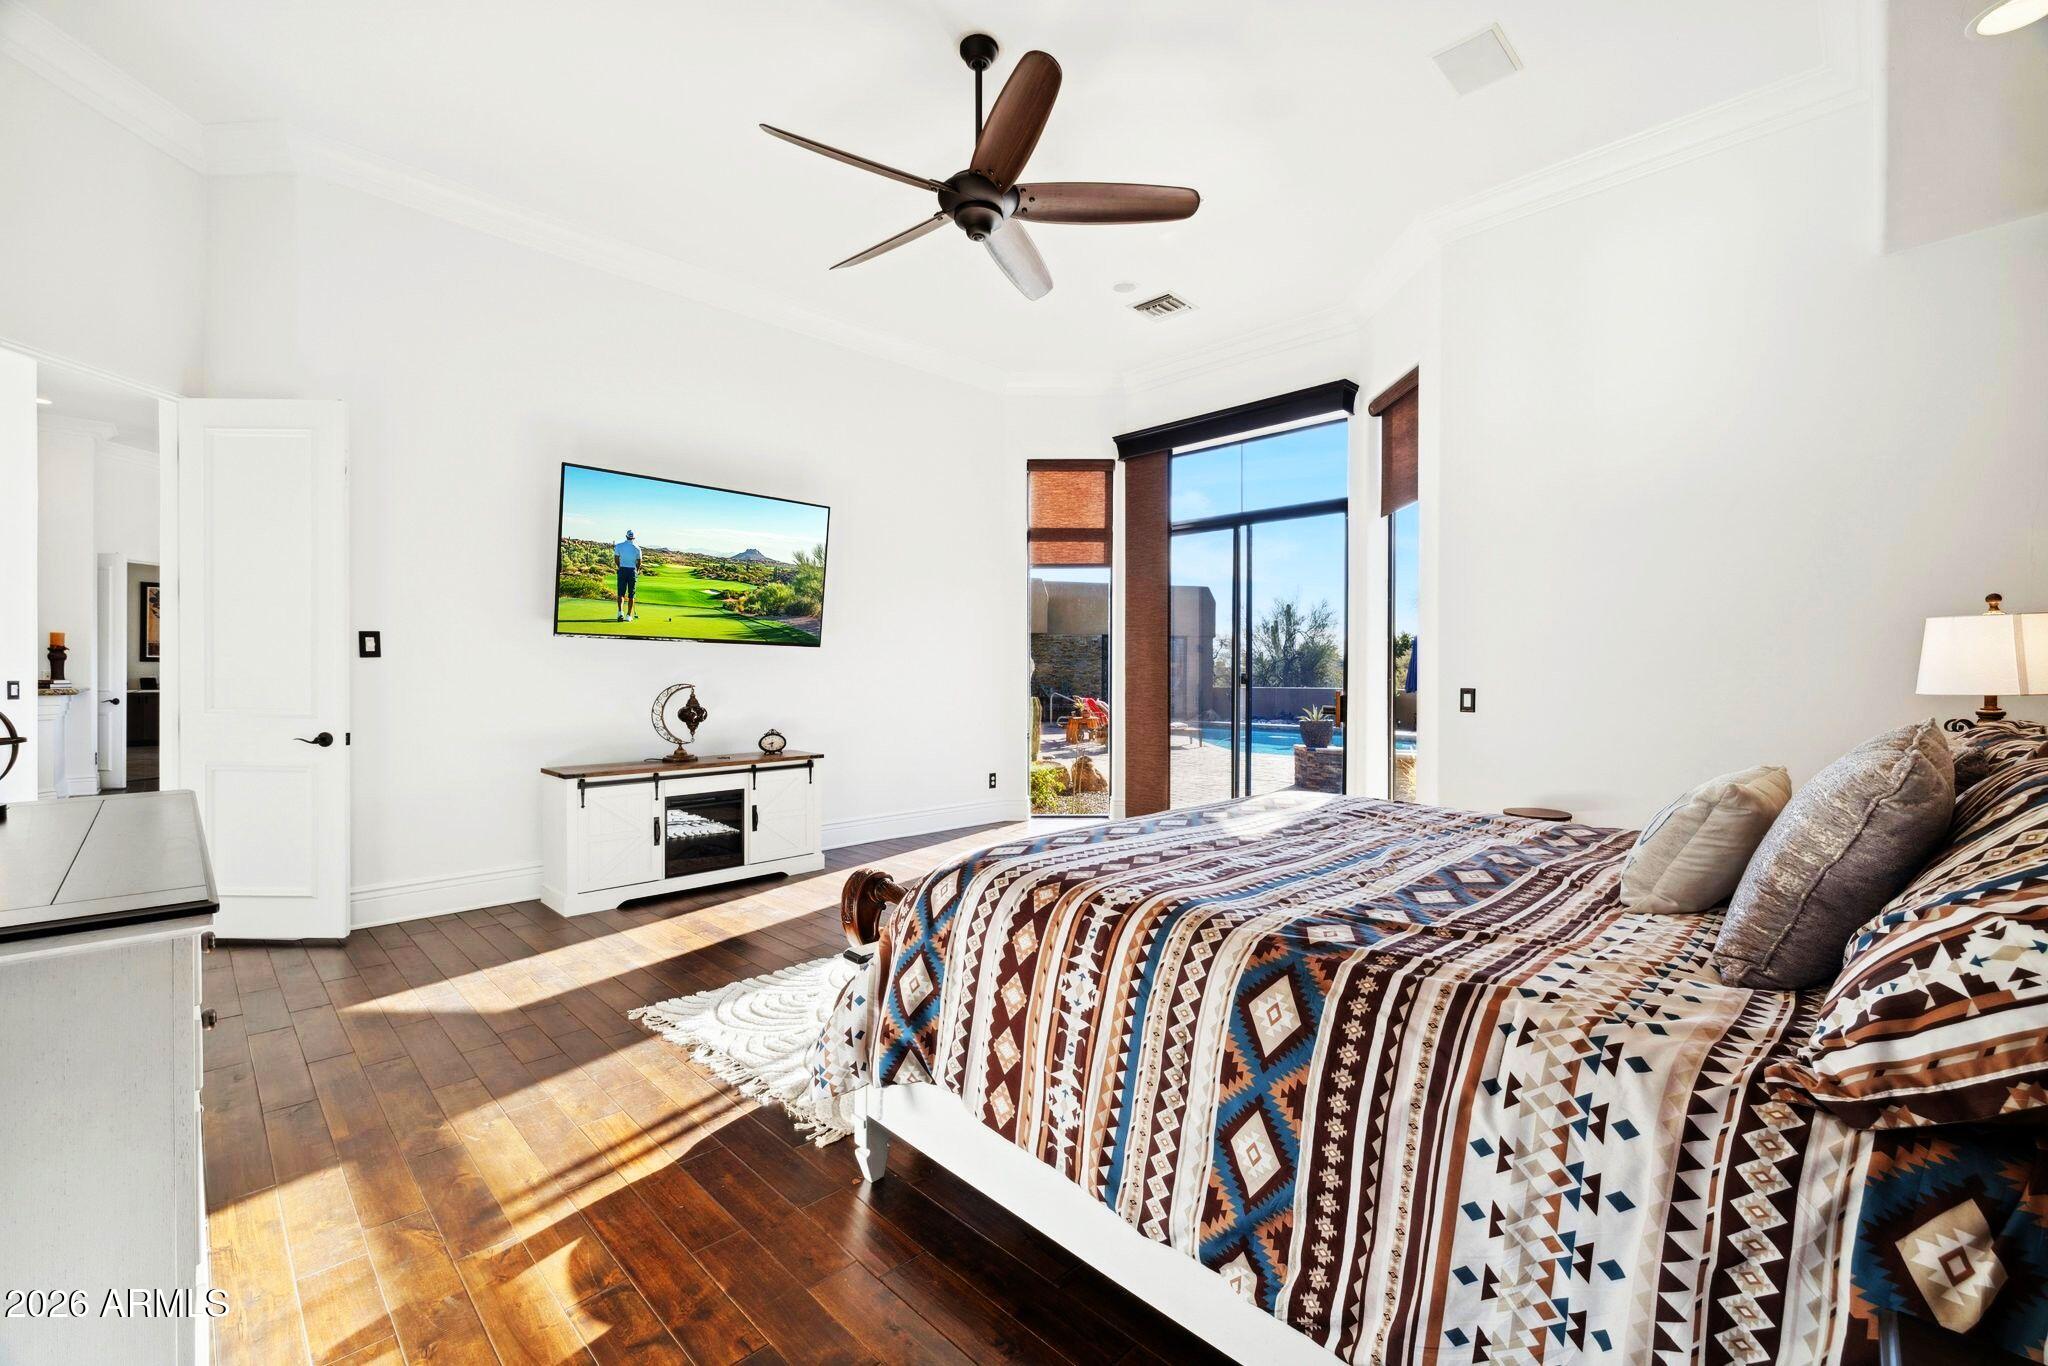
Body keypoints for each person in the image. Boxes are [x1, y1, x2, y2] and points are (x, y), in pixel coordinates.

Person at [614, 530, 641, 621]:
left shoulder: (619, 546)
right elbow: (639, 562)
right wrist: (636, 571)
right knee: (631, 595)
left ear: (626, 536)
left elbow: (616, 559)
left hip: (622, 570)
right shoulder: (637, 548)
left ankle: (620, 612)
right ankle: (629, 616)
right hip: (632, 571)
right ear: (633, 537)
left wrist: (620, 567)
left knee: (621, 593)